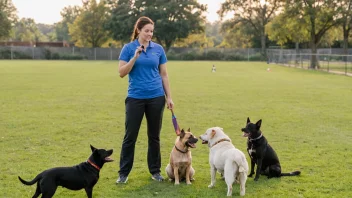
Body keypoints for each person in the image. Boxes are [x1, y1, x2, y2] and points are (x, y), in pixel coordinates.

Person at [116, 16, 174, 184]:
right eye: (147, 31)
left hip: (156, 97)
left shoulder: (158, 49)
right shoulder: (128, 48)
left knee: (154, 136)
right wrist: (135, 57)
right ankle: (123, 173)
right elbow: (121, 73)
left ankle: (155, 171)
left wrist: (169, 97)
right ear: (138, 30)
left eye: (151, 31)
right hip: (135, 98)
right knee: (130, 136)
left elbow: (164, 74)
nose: (150, 34)